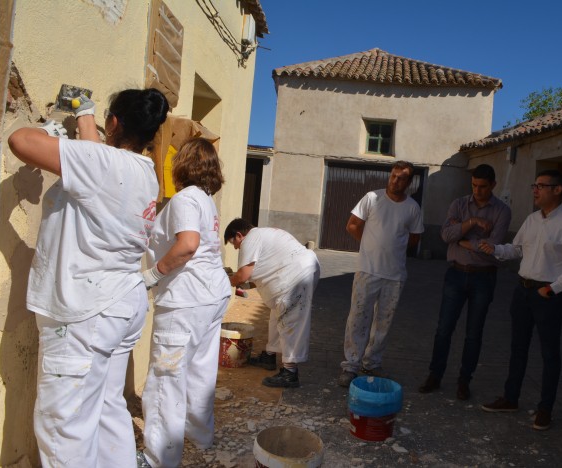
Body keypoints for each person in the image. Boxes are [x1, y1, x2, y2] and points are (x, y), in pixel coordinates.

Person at [8, 89, 169, 467]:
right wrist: (86, 114)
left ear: (113, 124)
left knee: (64, 428)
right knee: (106, 409)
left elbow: (20, 141)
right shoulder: (143, 172)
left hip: (84, 312)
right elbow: (96, 160)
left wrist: (52, 136)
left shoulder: (103, 164)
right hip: (118, 304)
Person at [139, 139, 232, 467]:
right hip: (210, 295)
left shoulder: (185, 199)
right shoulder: (206, 200)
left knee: (166, 377)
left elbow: (188, 245)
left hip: (186, 299)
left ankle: (157, 459)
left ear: (184, 164)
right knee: (200, 371)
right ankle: (198, 435)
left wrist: (152, 275)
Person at [478, 169, 562, 431]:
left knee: (550, 354)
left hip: (548, 295)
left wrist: (553, 288)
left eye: (541, 186)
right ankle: (510, 398)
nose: (535, 190)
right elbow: (516, 249)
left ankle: (545, 408)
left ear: (558, 190)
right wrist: (494, 249)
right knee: (518, 348)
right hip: (523, 292)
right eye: (534, 185)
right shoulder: (531, 220)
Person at [419, 164, 511, 400]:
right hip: (456, 274)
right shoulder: (459, 205)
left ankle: (464, 381)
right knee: (444, 329)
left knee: (474, 333)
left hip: (484, 276)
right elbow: (446, 236)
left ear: (493, 185)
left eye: (482, 187)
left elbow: (493, 249)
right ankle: (435, 375)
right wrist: (471, 223)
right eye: (474, 186)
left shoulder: (502, 211)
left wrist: (463, 241)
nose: (477, 191)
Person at [338, 160, 425, 387]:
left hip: (395, 275)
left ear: (409, 181)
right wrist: (368, 245)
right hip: (368, 271)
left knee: (383, 322)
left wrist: (392, 250)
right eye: (393, 176)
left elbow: (414, 238)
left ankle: (372, 362)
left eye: (401, 178)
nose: (395, 181)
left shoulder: (412, 208)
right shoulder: (372, 198)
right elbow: (352, 225)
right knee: (358, 318)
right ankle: (351, 365)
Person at [224, 218, 320, 388]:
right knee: (277, 314)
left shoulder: (251, 238)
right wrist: (239, 280)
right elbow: (256, 277)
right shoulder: (264, 235)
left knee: (290, 321)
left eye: (235, 244)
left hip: (295, 275)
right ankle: (269, 355)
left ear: (239, 235)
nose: (237, 248)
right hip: (302, 269)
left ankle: (290, 373)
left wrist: (225, 280)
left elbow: (243, 275)